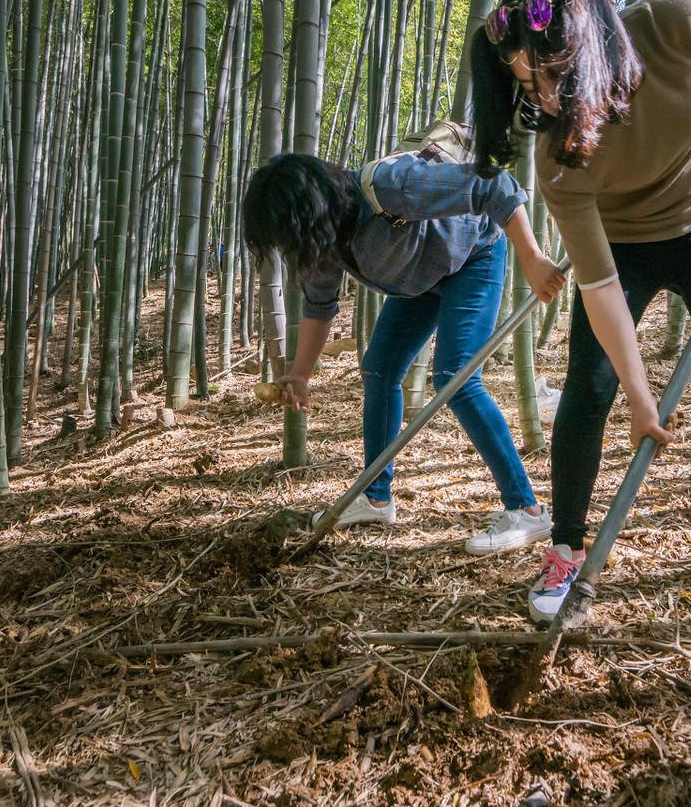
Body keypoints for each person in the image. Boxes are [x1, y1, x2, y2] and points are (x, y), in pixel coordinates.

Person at [469, 0, 691, 621]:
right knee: (591, 387)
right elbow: (600, 288)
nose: (546, 99)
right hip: (622, 245)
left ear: (590, 43)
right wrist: (642, 398)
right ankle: (565, 547)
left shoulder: (671, 23)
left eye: (554, 74)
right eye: (526, 83)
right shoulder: (558, 163)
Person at [242, 150, 566, 554]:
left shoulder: (391, 186)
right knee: (379, 370)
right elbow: (319, 305)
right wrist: (301, 374)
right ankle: (376, 498)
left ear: (310, 213)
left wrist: (532, 258)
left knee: (455, 378)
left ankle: (527, 511)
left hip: (472, 258)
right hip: (420, 284)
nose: (291, 249)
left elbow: (493, 184)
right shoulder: (323, 241)